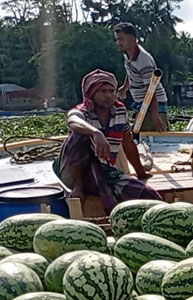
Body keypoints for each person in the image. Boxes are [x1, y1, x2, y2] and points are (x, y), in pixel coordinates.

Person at [56, 70, 162, 214]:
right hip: (75, 173)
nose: (109, 95)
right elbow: (72, 120)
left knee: (147, 194)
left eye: (112, 91)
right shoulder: (84, 111)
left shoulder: (119, 111)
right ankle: (79, 186)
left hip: (106, 171)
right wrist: (96, 133)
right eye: (103, 91)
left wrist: (140, 172)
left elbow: (128, 142)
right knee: (78, 136)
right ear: (92, 93)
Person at [114, 22, 167, 132]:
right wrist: (125, 87)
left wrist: (155, 117)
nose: (118, 43)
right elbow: (130, 73)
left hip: (152, 105)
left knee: (151, 137)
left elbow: (151, 90)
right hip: (142, 104)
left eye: (121, 39)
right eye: (117, 39)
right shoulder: (127, 55)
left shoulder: (143, 60)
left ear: (132, 39)